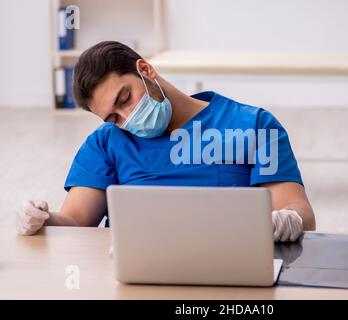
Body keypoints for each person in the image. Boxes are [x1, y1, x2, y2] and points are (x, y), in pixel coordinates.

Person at [16, 41, 315, 242]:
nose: (128, 118)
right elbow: (76, 224)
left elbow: (297, 211)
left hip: (233, 279)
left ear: (145, 70)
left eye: (125, 99)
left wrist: (288, 221)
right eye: (114, 117)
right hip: (137, 283)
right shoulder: (106, 144)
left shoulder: (254, 125)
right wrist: (42, 220)